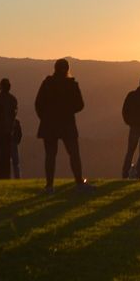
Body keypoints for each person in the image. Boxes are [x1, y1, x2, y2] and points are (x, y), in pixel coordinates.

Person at [35, 58, 93, 192]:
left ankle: (49, 186)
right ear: (67, 69)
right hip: (67, 123)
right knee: (74, 154)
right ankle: (79, 182)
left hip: (49, 124)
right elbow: (80, 105)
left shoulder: (47, 83)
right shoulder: (71, 84)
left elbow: (38, 103)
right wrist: (68, 110)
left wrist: (44, 117)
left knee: (50, 155)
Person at [0, 79, 18, 178]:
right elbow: (14, 115)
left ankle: (0, 176)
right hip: (8, 131)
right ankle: (6, 175)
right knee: (6, 156)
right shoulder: (13, 100)